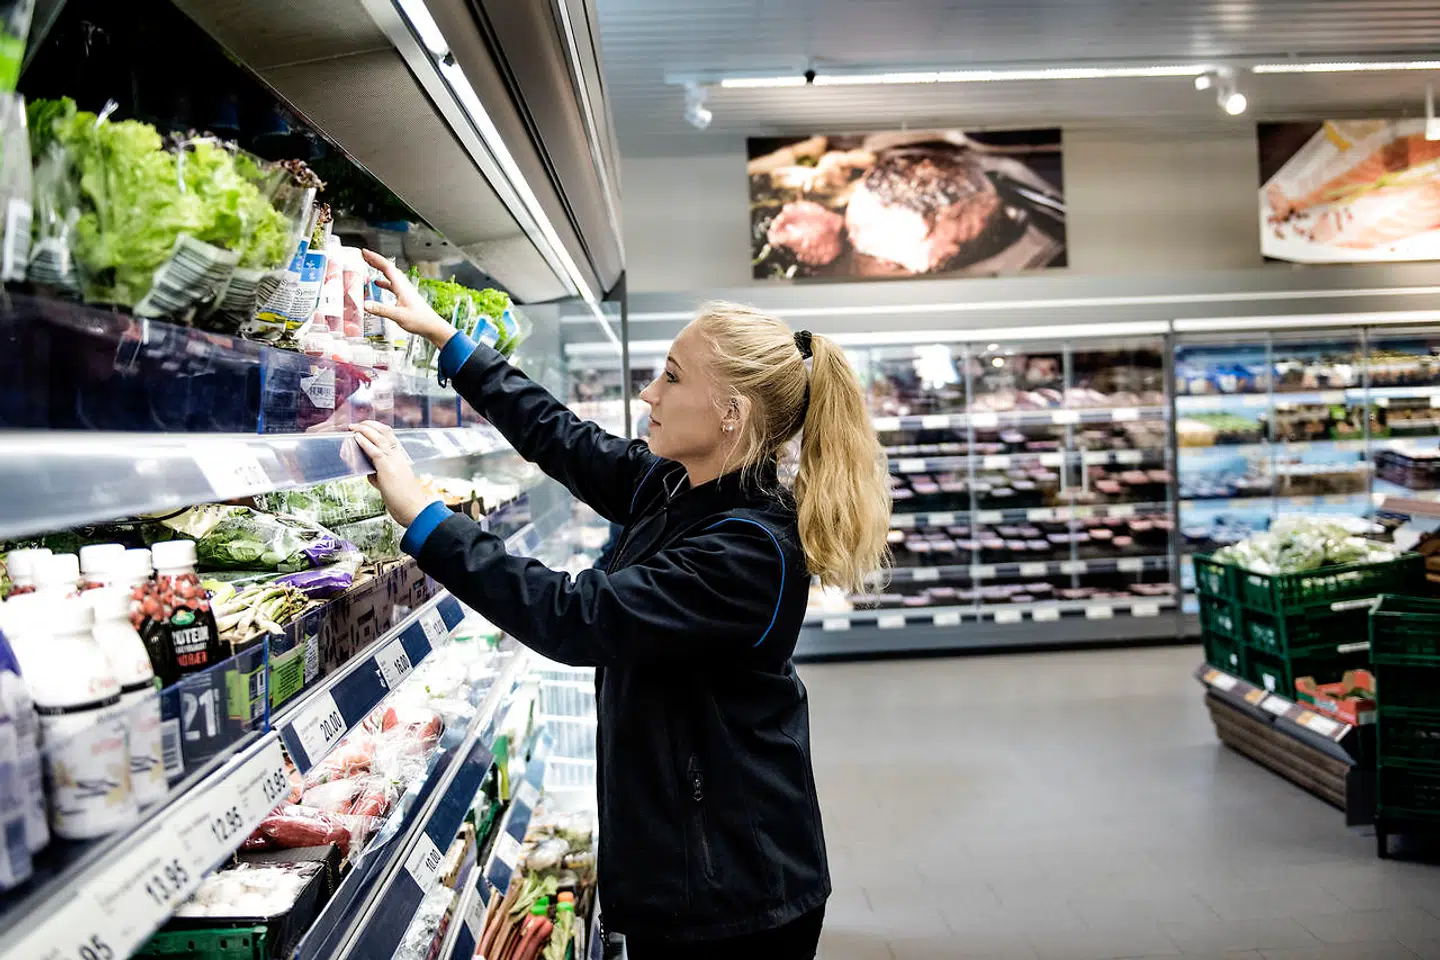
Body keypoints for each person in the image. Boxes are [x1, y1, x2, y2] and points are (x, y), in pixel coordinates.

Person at [351, 251, 891, 958]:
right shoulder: (679, 487)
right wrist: (451, 345)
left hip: (732, 893)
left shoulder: (748, 552)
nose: (648, 395)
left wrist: (427, 518)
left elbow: (576, 616)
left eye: (670, 377)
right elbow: (565, 440)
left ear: (731, 414)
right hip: (689, 864)